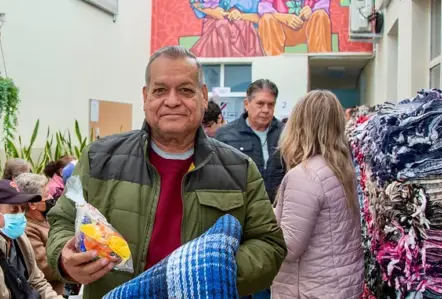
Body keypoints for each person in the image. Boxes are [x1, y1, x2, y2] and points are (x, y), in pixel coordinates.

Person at [46, 46, 287, 299]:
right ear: (145, 96)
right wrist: (65, 257)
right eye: (160, 90)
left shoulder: (239, 169)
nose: (172, 101)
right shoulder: (100, 158)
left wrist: (217, 273)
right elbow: (62, 220)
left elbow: (269, 245)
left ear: (203, 96)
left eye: (185, 90)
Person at [271, 90, 363, 298]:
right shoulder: (341, 167)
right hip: (338, 285)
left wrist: (259, 222)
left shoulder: (305, 175)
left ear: (299, 125)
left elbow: (290, 246)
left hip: (308, 288)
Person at [216, 79, 286, 202]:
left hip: (278, 209)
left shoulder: (286, 134)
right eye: (260, 103)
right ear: (246, 104)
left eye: (271, 105)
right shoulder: (225, 136)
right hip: (241, 208)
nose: (266, 110)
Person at [15, 173, 64, 296]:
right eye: (46, 194)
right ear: (32, 204)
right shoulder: (28, 230)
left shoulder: (46, 218)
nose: (51, 197)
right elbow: (47, 269)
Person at [190, 0, 263, 57]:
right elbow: (194, 3)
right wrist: (212, 11)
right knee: (221, 25)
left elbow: (259, 18)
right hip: (215, 25)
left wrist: (241, 15)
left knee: (226, 26)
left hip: (244, 30)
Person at [257, 0, 332, 56]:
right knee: (266, 19)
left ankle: (319, 63)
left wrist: (311, 11)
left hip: (308, 28)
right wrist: (282, 17)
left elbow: (323, 3)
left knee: (320, 15)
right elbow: (263, 7)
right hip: (280, 30)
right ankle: (274, 64)